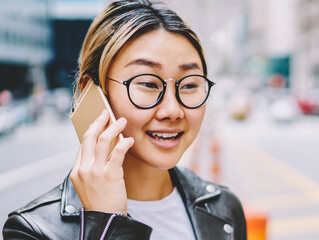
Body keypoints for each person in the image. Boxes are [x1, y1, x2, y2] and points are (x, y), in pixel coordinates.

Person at [3, 0, 247, 239]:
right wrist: (107, 225)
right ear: (91, 90)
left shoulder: (223, 209)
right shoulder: (33, 230)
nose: (173, 110)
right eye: (148, 83)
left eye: (190, 84)